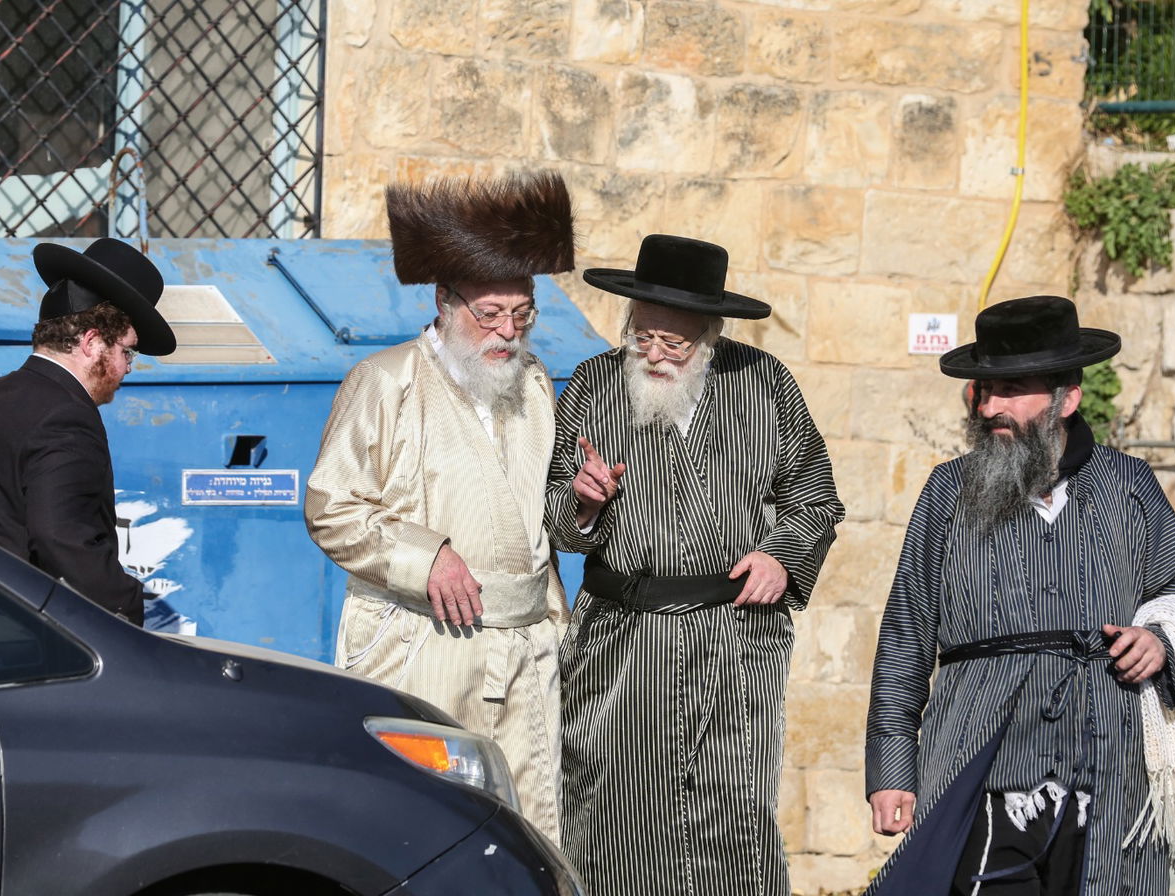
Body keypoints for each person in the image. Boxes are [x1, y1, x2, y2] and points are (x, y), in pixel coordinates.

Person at [863, 295, 1175, 896]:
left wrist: (1158, 641)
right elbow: (905, 637)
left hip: (1112, 774)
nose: (991, 405)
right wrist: (892, 768)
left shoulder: (1128, 488)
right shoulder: (949, 493)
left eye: (1012, 388)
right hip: (982, 770)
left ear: (1066, 397)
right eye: (985, 389)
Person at [545, 234, 845, 895]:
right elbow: (557, 523)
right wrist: (584, 503)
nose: (653, 354)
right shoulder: (595, 385)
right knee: (615, 812)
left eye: (673, 343)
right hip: (621, 641)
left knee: (731, 816)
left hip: (736, 637)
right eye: (643, 335)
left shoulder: (763, 384)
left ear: (710, 335)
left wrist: (780, 556)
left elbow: (816, 497)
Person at [304, 170, 575, 841]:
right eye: (489, 314)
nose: (506, 332)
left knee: (528, 832)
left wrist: (585, 500)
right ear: (444, 302)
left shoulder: (534, 385)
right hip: (420, 642)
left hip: (525, 649)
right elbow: (331, 508)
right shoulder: (386, 381)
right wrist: (425, 559)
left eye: (522, 313)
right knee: (414, 827)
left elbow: (543, 515)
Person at [0, 238, 177, 625]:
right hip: (19, 639)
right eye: (128, 351)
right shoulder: (67, 416)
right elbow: (62, 535)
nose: (128, 368)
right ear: (91, 343)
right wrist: (124, 606)